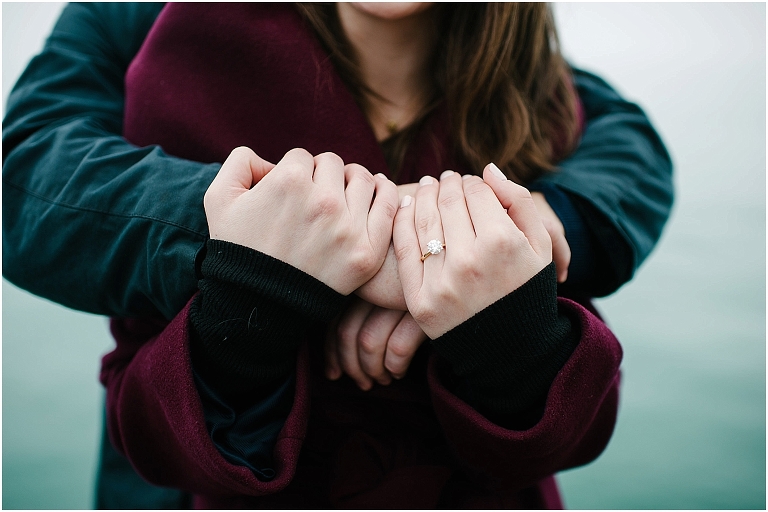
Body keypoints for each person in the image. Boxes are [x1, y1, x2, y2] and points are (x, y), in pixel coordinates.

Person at [1, 2, 672, 508]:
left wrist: (510, 243)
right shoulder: (153, 29)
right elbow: (22, 175)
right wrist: (263, 235)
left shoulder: (524, 74)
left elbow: (630, 146)